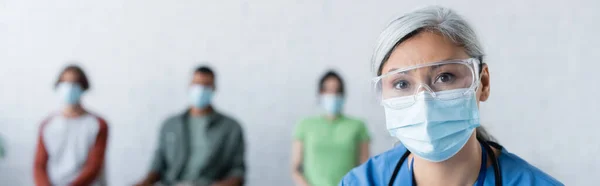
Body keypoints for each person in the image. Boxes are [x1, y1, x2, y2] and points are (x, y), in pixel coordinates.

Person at [340, 6, 563, 186]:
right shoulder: (363, 182)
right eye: (401, 83)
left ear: (483, 82)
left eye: (445, 77)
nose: (423, 102)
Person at [135, 66, 245, 186]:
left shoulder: (230, 128)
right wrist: (145, 182)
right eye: (197, 83)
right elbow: (157, 165)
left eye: (206, 85)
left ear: (214, 88)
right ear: (190, 85)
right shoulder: (170, 125)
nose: (200, 89)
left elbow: (237, 170)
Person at [291, 71, 371, 186]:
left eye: (337, 91)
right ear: (320, 93)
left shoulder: (358, 126)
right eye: (328, 90)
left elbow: (364, 168)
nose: (333, 95)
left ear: (343, 95)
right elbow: (296, 169)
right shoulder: (305, 125)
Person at [34, 65, 109, 186]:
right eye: (65, 83)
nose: (69, 88)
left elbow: (94, 166)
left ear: (83, 87)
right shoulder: (47, 125)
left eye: (74, 83)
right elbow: (39, 165)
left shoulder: (97, 124)